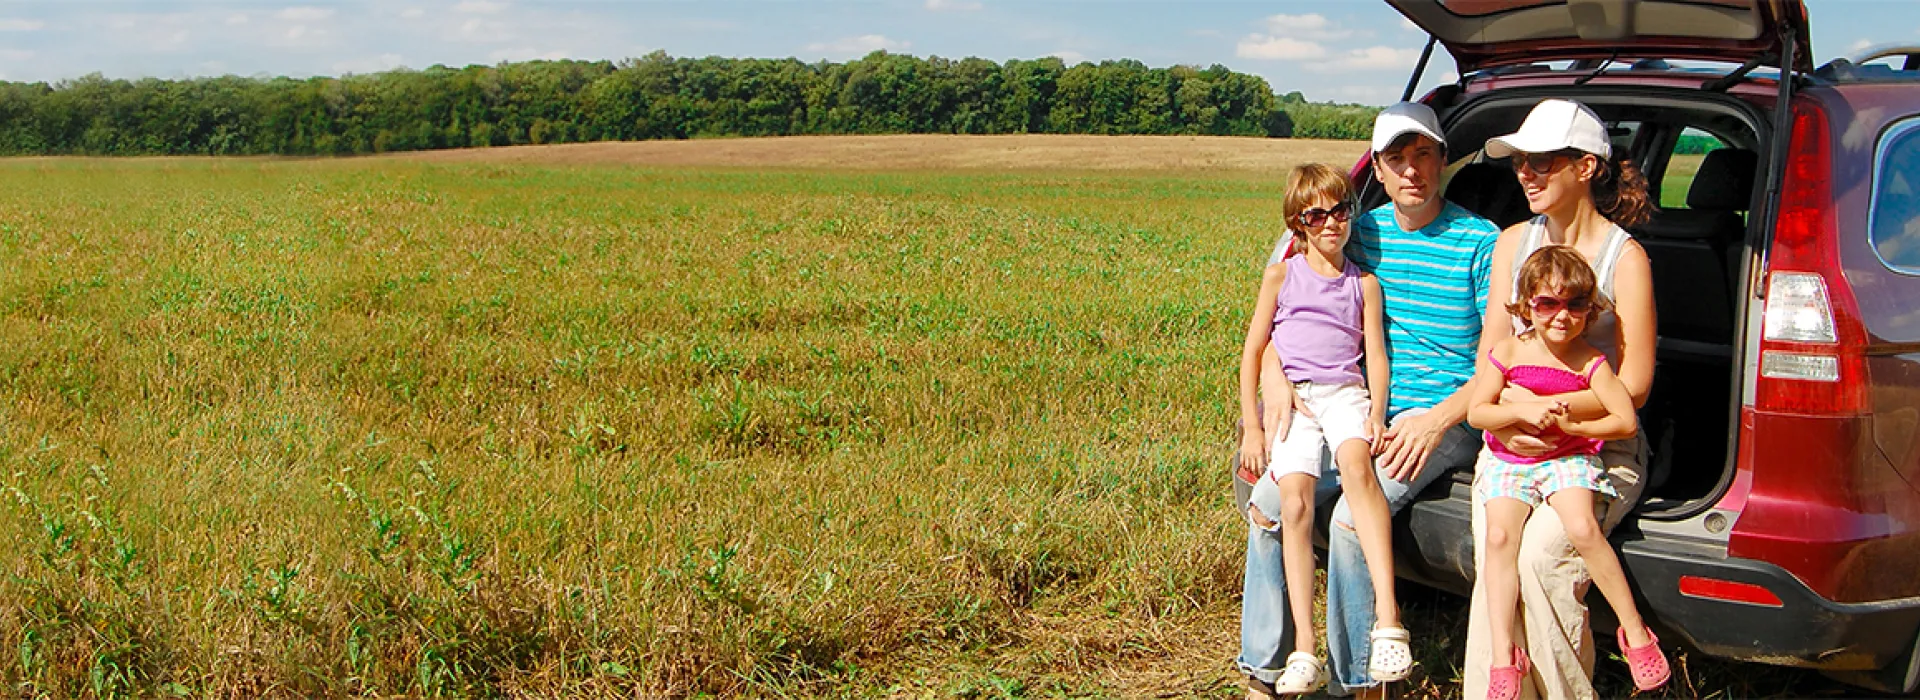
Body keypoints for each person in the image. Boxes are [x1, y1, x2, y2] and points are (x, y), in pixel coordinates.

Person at [1237, 102, 1500, 699]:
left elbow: (1498, 357)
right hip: (1348, 404)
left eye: (1424, 155)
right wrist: (1275, 373)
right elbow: (1290, 311)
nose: (1412, 171)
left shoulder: (1480, 240)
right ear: (1376, 170)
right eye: (1396, 159)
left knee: (1351, 520)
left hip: (1439, 414)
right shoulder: (1356, 228)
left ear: (1444, 160)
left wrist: (1438, 420)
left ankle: (1360, 683)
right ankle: (1267, 671)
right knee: (1269, 505)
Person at [1461, 98, 1660, 700]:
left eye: (1542, 161)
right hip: (1510, 443)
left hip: (1597, 446)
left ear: (1586, 167)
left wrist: (1551, 415)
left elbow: (1636, 386)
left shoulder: (1625, 259)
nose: (1525, 173)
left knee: (1544, 558)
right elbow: (1491, 359)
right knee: (1498, 553)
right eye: (1520, 162)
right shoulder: (1511, 244)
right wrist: (1511, 421)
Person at [1236, 164, 1401, 694]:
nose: (1331, 223)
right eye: (1316, 215)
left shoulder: (1364, 283)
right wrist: (1252, 428)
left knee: (1357, 468)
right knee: (1294, 503)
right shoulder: (1281, 277)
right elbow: (1253, 350)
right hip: (1297, 402)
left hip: (1345, 393)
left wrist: (1377, 411)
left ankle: (1389, 622)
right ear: (1298, 223)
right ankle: (1305, 649)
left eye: (1340, 211)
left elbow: (1375, 354)